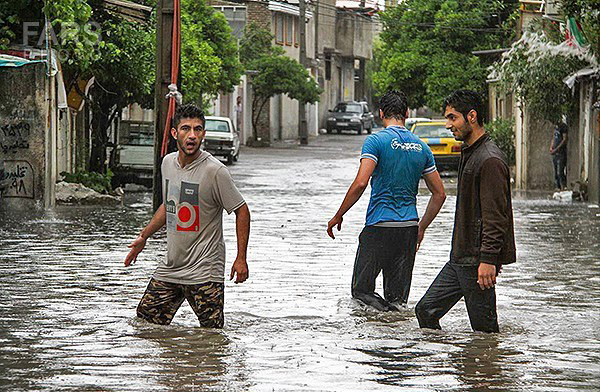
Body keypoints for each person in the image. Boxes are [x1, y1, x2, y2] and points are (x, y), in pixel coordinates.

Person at [124, 104, 251, 328]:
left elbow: (241, 210)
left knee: (211, 336)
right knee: (145, 323)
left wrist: (241, 258)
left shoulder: (215, 171)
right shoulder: (167, 163)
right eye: (185, 129)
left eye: (197, 129)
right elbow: (169, 204)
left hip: (205, 270)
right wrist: (143, 237)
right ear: (175, 133)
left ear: (203, 133)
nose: (192, 135)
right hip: (171, 267)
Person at [327, 90, 446, 311]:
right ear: (407, 113)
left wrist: (338, 214)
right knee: (398, 300)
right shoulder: (422, 147)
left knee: (361, 292)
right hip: (408, 228)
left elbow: (361, 183)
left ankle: (383, 321)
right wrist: (421, 227)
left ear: (381, 113)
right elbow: (439, 194)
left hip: (379, 227)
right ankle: (396, 330)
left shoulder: (376, 141)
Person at [415, 90, 516, 333]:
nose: (448, 125)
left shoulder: (489, 159)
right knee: (426, 310)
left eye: (452, 118)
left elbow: (495, 216)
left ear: (472, 116)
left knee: (484, 333)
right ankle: (460, 363)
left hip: (476, 261)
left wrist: (489, 259)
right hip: (461, 258)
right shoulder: (470, 152)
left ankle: (485, 368)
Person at [550, 122, 568, 190]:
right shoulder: (555, 127)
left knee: (560, 171)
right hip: (555, 153)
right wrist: (551, 147)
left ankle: (564, 187)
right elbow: (553, 137)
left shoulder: (563, 127)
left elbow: (564, 139)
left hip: (561, 153)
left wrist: (557, 149)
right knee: (556, 172)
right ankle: (558, 187)